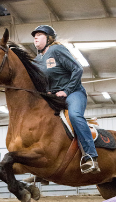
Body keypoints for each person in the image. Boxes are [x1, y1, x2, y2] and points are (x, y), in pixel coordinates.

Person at [31, 25, 98, 173]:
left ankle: (91, 157)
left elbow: (77, 69)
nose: (35, 37)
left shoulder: (56, 50)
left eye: (40, 34)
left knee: (74, 115)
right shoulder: (36, 60)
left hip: (74, 93)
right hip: (54, 98)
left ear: (49, 38)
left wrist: (66, 90)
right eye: (34, 35)